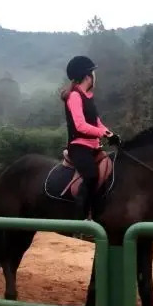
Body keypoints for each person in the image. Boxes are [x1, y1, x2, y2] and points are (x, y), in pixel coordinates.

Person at [60, 55, 120, 220]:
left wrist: (112, 135)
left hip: (93, 147)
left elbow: (97, 123)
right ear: (87, 76)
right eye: (93, 72)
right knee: (91, 176)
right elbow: (80, 125)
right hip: (78, 147)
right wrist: (104, 134)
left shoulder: (88, 96)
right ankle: (81, 219)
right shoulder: (74, 96)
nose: (95, 76)